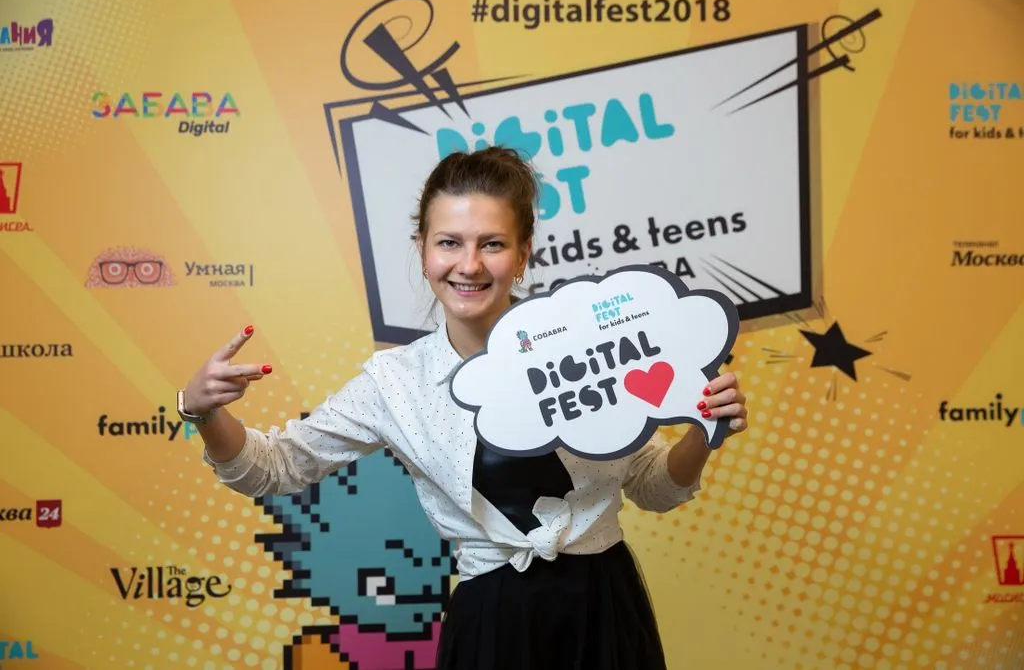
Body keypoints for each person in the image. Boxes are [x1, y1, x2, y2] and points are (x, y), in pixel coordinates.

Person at [179, 146, 749, 670]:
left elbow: (653, 488)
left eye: (492, 244)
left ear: (523, 253)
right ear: (423, 250)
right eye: (449, 243)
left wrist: (703, 431)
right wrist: (203, 412)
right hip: (491, 622)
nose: (469, 265)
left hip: (604, 612)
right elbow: (274, 468)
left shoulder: (586, 343)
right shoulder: (396, 382)